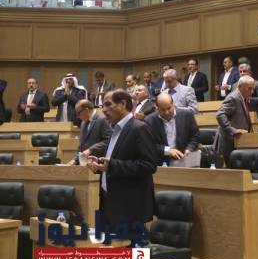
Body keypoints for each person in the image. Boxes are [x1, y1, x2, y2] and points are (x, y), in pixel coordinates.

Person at [86, 90, 158, 230]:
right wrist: (100, 166)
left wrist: (112, 165)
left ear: (123, 104)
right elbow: (116, 161)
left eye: (108, 104)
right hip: (109, 202)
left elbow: (149, 165)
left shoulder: (140, 128)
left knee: (129, 244)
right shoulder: (114, 129)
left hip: (129, 206)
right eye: (103, 105)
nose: (104, 110)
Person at [145, 93, 200, 166]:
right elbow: (148, 144)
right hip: (161, 161)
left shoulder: (187, 115)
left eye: (169, 108)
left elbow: (195, 136)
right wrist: (168, 151)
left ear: (173, 104)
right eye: (163, 110)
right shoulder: (149, 121)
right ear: (156, 107)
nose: (167, 112)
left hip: (184, 158)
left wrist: (189, 149)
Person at [214, 75, 255, 166]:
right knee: (232, 172)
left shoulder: (242, 98)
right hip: (228, 143)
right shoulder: (233, 97)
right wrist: (233, 130)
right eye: (249, 89)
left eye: (252, 89)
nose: (252, 92)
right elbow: (220, 114)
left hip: (236, 143)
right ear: (240, 87)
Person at [67, 100, 112, 165]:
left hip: (98, 163)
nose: (77, 116)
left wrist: (91, 150)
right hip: (84, 164)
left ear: (86, 110)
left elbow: (108, 141)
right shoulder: (83, 123)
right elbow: (81, 145)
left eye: (78, 113)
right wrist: (75, 160)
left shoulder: (102, 120)